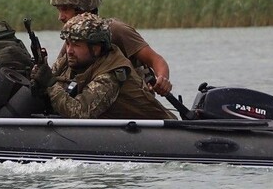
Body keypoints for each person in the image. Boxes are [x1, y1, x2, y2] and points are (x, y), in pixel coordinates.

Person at [47, 0, 174, 96]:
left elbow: (156, 60)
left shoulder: (115, 30)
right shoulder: (74, 42)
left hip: (130, 101)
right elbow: (56, 75)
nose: (60, 17)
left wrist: (162, 80)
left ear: (82, 9)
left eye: (65, 9)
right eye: (59, 10)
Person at [30, 13, 175, 119]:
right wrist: (39, 77)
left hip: (155, 130)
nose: (69, 50)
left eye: (76, 45)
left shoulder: (112, 72)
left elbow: (80, 113)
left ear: (96, 48)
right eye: (67, 44)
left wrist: (50, 84)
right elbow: (51, 82)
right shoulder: (72, 60)